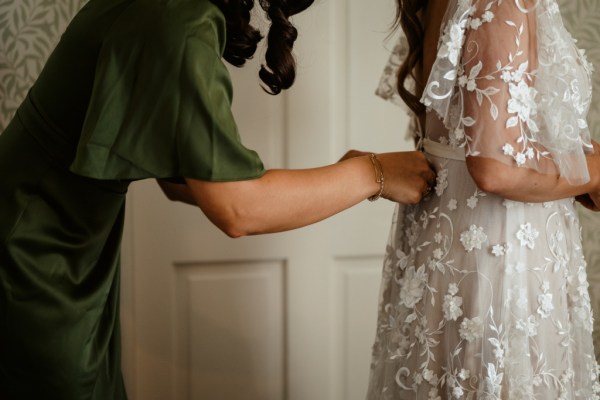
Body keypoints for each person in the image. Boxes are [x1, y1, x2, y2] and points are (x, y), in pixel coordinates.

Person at [0, 0, 437, 398]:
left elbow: (184, 182)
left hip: (62, 244)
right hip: (32, 251)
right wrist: (373, 173)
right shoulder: (178, 22)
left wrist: (340, 177)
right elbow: (236, 209)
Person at [366, 0, 600, 398]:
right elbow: (496, 167)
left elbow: (461, 141)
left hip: (453, 245)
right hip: (500, 253)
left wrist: (580, 164)